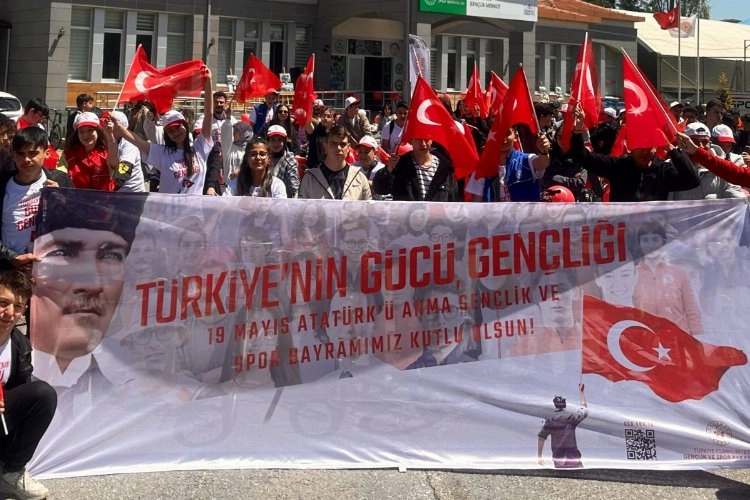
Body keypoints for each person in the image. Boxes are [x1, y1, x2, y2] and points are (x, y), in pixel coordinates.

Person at [31, 188, 147, 385]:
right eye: (63, 253)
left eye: (110, 256)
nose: (93, 285)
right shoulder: (14, 370)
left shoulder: (127, 383)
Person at [0, 270, 57, 500]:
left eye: (18, 306)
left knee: (43, 394)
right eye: (3, 303)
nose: (9, 313)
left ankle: (10, 473)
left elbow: (22, 395)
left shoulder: (20, 344)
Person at [569, 103, 700, 201]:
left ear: (656, 147)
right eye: (639, 146)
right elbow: (581, 156)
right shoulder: (618, 166)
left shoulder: (663, 170)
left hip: (653, 230)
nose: (644, 152)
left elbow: (692, 180)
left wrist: (671, 149)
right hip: (623, 229)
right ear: (630, 147)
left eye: (649, 146)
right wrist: (578, 129)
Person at [116, 69, 214, 194]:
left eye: (178, 127)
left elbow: (208, 115)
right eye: (171, 131)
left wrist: (208, 82)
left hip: (195, 207)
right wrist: (119, 128)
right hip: (167, 207)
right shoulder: (162, 154)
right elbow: (138, 141)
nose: (176, 132)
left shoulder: (200, 149)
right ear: (166, 134)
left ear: (185, 126)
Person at [1, 127, 72, 260]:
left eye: (33, 153)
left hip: (52, 265)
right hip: (11, 268)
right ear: (13, 155)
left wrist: (63, 201)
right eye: (20, 154)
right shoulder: (3, 185)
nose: (26, 159)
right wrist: (12, 258)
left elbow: (77, 222)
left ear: (47, 153)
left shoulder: (60, 181)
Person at [466, 126, 552, 202]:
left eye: (508, 133)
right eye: (499, 134)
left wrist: (544, 152)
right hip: (495, 215)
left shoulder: (526, 160)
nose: (503, 139)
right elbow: (476, 203)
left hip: (524, 215)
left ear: (516, 136)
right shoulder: (482, 168)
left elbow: (542, 163)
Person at [668, 123, 744, 200]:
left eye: (704, 141)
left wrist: (742, 202)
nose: (701, 146)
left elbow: (733, 191)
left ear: (710, 144)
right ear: (683, 143)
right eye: (694, 141)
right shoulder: (670, 166)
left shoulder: (721, 166)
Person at [374, 137, 462, 202]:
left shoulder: (446, 168)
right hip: (407, 220)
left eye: (426, 139)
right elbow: (380, 189)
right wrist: (389, 169)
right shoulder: (400, 165)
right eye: (418, 139)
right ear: (410, 140)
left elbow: (453, 200)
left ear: (432, 140)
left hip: (437, 221)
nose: (423, 144)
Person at [298, 124, 371, 200]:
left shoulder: (360, 178)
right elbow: (301, 206)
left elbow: (368, 207)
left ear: (348, 148)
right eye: (333, 144)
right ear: (325, 147)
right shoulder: (310, 178)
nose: (338, 148)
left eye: (343, 144)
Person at [537, 383, 588, 469]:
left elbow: (541, 437)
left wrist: (539, 456)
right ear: (565, 404)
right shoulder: (571, 418)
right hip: (573, 456)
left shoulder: (550, 421)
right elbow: (584, 409)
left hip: (558, 457)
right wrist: (581, 393)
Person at [64, 111, 116, 191]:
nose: (86, 135)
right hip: (75, 198)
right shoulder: (68, 155)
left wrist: (110, 136)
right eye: (81, 131)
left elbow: (114, 165)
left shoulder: (107, 153)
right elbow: (60, 177)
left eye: (90, 130)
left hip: (104, 199)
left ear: (98, 131)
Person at [266, 125, 300, 198]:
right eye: (273, 140)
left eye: (279, 140)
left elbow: (294, 185)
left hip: (284, 199)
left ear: (284, 142)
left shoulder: (289, 159)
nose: (276, 143)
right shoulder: (264, 157)